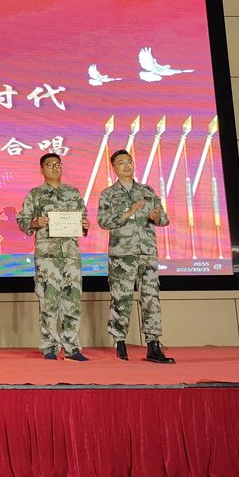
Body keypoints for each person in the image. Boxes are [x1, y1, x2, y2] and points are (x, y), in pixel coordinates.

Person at [97, 149, 176, 364]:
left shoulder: (147, 191)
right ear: (114, 168)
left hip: (147, 253)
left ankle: (153, 344)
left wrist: (156, 217)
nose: (127, 165)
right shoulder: (108, 194)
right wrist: (128, 212)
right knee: (121, 298)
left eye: (129, 161)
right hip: (122, 255)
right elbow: (103, 221)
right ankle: (120, 341)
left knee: (151, 298)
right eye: (121, 162)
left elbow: (164, 220)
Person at [16, 153, 90, 361]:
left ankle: (72, 348)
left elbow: (83, 219)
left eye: (58, 164)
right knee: (48, 301)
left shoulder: (73, 193)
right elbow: (22, 220)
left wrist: (85, 225)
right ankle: (49, 346)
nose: (55, 168)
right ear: (42, 169)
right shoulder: (35, 194)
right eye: (49, 165)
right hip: (47, 256)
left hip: (71, 255)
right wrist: (34, 223)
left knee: (72, 301)